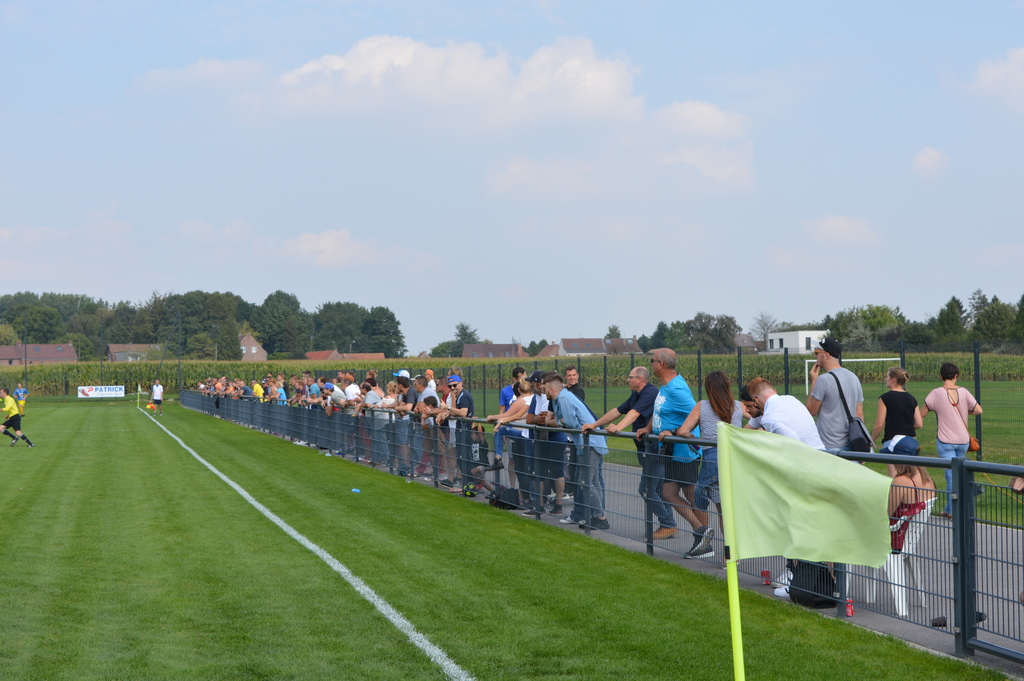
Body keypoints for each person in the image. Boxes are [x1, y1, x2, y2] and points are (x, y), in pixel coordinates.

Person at [582, 365, 676, 539]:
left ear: (639, 379)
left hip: (655, 450)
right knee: (656, 488)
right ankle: (667, 525)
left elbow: (634, 414)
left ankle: (668, 524)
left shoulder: (650, 393)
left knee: (647, 489)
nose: (627, 380)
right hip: (645, 449)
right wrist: (595, 425)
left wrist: (618, 427)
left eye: (630, 377)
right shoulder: (636, 394)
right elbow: (617, 411)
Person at [636, 349, 704, 551]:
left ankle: (704, 537)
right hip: (669, 450)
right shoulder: (665, 386)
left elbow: (697, 413)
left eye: (652, 361)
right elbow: (660, 412)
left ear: (661, 364)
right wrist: (648, 428)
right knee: (669, 492)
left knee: (691, 496)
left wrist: (673, 431)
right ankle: (701, 531)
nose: (650, 364)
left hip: (684, 451)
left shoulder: (676, 389)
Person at [675, 370, 744, 559]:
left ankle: (716, 549)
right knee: (728, 511)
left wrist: (696, 441)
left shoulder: (702, 406)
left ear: (708, 388)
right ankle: (730, 555)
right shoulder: (738, 406)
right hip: (734, 459)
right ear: (727, 385)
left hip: (712, 459)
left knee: (715, 508)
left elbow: (683, 431)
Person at [544, 373, 610, 530]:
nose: (543, 391)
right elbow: (565, 421)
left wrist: (559, 421)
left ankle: (600, 517)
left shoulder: (563, 399)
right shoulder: (562, 398)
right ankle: (597, 515)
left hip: (589, 444)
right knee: (592, 480)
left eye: (544, 388)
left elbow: (571, 423)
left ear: (552, 389)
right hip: (586, 443)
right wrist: (561, 421)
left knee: (585, 481)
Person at [920, 363, 982, 518]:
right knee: (959, 475)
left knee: (950, 476)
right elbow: (978, 410)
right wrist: (963, 410)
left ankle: (953, 510)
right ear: (956, 376)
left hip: (945, 440)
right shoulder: (964, 391)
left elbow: (922, 414)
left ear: (941, 376)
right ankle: (951, 508)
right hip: (963, 440)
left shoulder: (936, 393)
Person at [807, 337, 864, 451]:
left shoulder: (824, 379)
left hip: (829, 445)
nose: (815, 356)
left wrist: (814, 381)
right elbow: (859, 414)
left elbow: (810, 411)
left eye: (817, 352)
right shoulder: (853, 377)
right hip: (851, 443)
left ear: (826, 355)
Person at [744, 378, 824, 449]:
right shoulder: (791, 399)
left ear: (756, 400)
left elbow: (793, 440)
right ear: (774, 391)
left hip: (808, 456)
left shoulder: (768, 417)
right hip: (822, 451)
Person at [871, 367, 922, 463]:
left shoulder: (885, 398)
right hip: (911, 442)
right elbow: (919, 423)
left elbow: (879, 424)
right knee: (911, 470)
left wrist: (872, 441)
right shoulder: (911, 398)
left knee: (895, 471)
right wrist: (905, 426)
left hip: (893, 442)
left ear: (893, 379)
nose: (885, 379)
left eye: (887, 377)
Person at [888, 464, 937, 553]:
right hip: (909, 539)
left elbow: (887, 513)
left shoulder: (901, 481)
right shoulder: (928, 479)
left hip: (895, 539)